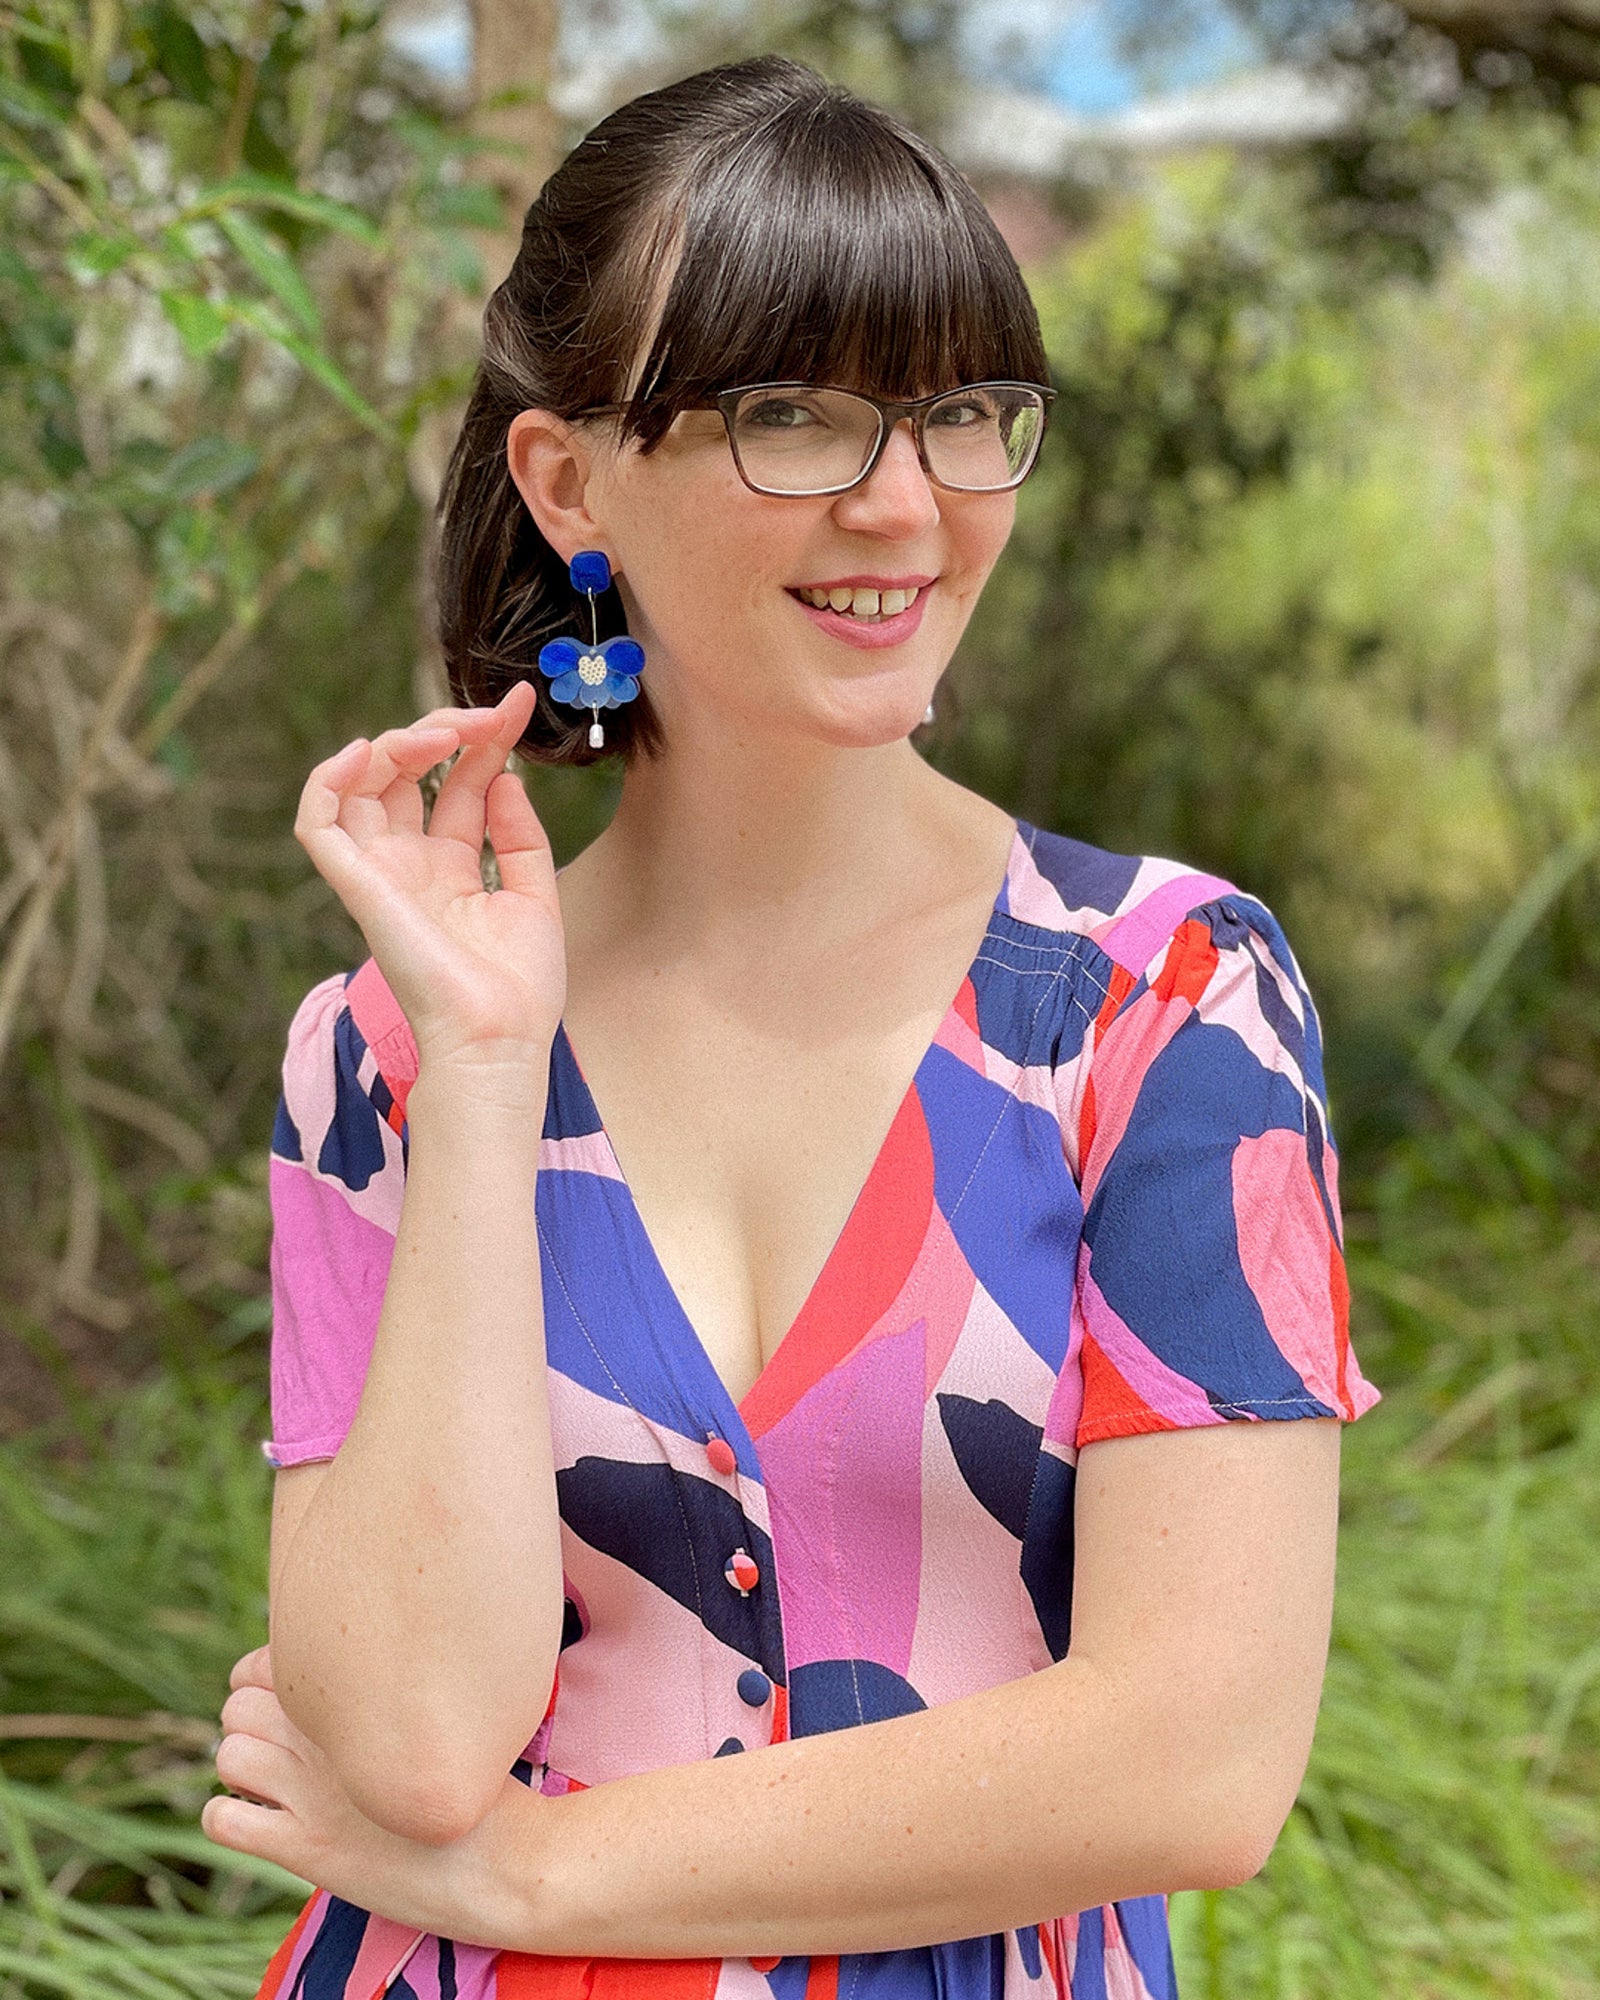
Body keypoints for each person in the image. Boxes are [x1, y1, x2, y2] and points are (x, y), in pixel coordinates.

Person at [200, 53, 1381, 2000]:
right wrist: (490, 1073)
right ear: (568, 479)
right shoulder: (390, 1049)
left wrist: (534, 1874)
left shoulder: (1161, 1009)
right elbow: (409, 1737)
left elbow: (1196, 1757)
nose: (903, 505)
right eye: (791, 418)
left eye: (960, 418)